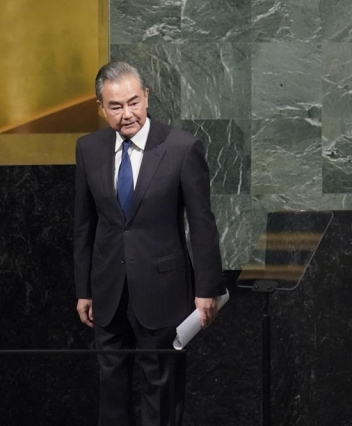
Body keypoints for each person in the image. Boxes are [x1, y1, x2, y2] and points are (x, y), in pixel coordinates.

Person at [74, 61, 225, 425]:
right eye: (115, 106)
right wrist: (84, 289)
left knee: (160, 385)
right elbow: (84, 224)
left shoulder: (182, 147)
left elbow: (202, 223)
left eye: (133, 102)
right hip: (108, 289)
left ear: (146, 97)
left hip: (163, 288)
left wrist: (208, 289)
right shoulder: (88, 149)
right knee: (111, 382)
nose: (127, 115)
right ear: (101, 108)